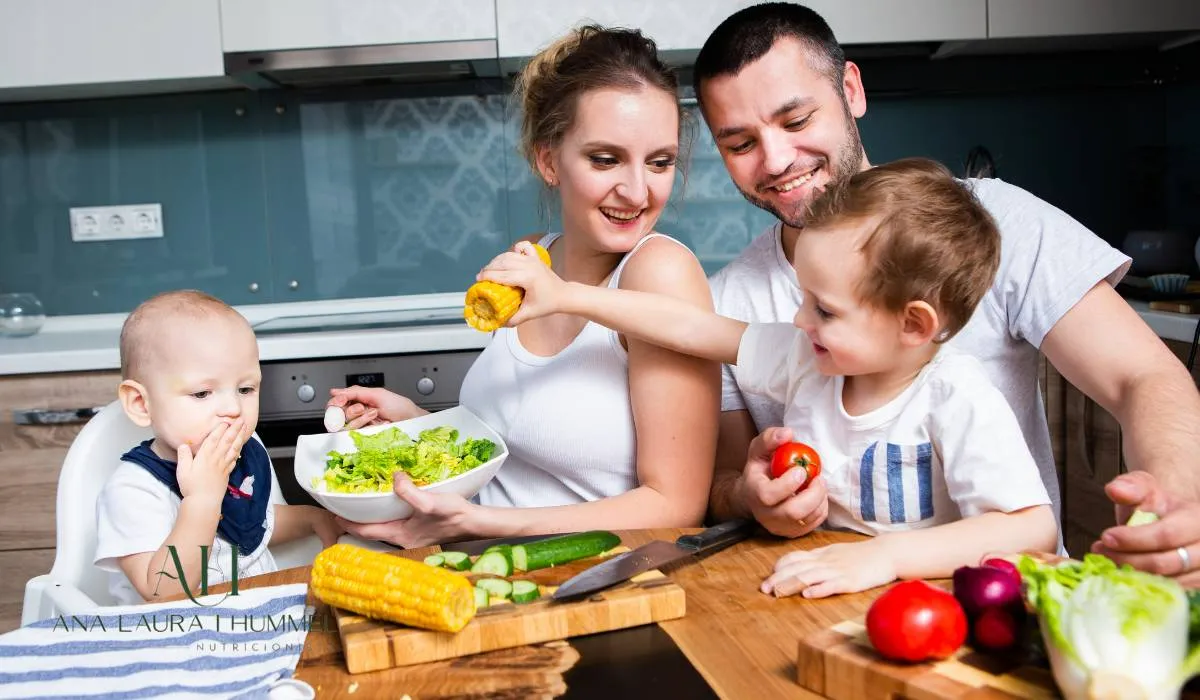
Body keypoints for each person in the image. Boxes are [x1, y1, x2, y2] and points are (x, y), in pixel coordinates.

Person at [691, 3, 1200, 570]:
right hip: (831, 605)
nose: (777, 160)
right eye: (740, 144)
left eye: (796, 121)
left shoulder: (996, 221)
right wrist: (748, 497)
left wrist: (1179, 501)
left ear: (851, 90)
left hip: (1005, 600)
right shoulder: (729, 295)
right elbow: (724, 483)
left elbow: (1142, 376)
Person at [480, 158, 1058, 598]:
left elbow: (1029, 527)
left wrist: (887, 558)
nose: (801, 319)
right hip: (830, 593)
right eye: (804, 298)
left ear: (913, 324)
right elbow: (690, 328)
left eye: (825, 310)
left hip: (930, 604)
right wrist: (571, 297)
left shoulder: (955, 395)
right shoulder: (810, 358)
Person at [325, 25, 720, 547]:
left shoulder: (658, 274)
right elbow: (522, 457)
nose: (637, 191)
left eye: (660, 162)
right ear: (548, 159)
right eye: (606, 159)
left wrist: (477, 524)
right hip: (483, 573)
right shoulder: (535, 254)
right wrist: (418, 424)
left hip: (587, 583)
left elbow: (675, 505)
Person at [94, 290, 343, 605]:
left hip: (258, 621)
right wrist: (202, 500)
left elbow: (251, 526)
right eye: (202, 393)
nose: (233, 407)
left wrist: (311, 518)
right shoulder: (134, 490)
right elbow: (162, 591)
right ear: (142, 404)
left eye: (245, 388)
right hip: (175, 638)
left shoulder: (243, 452)